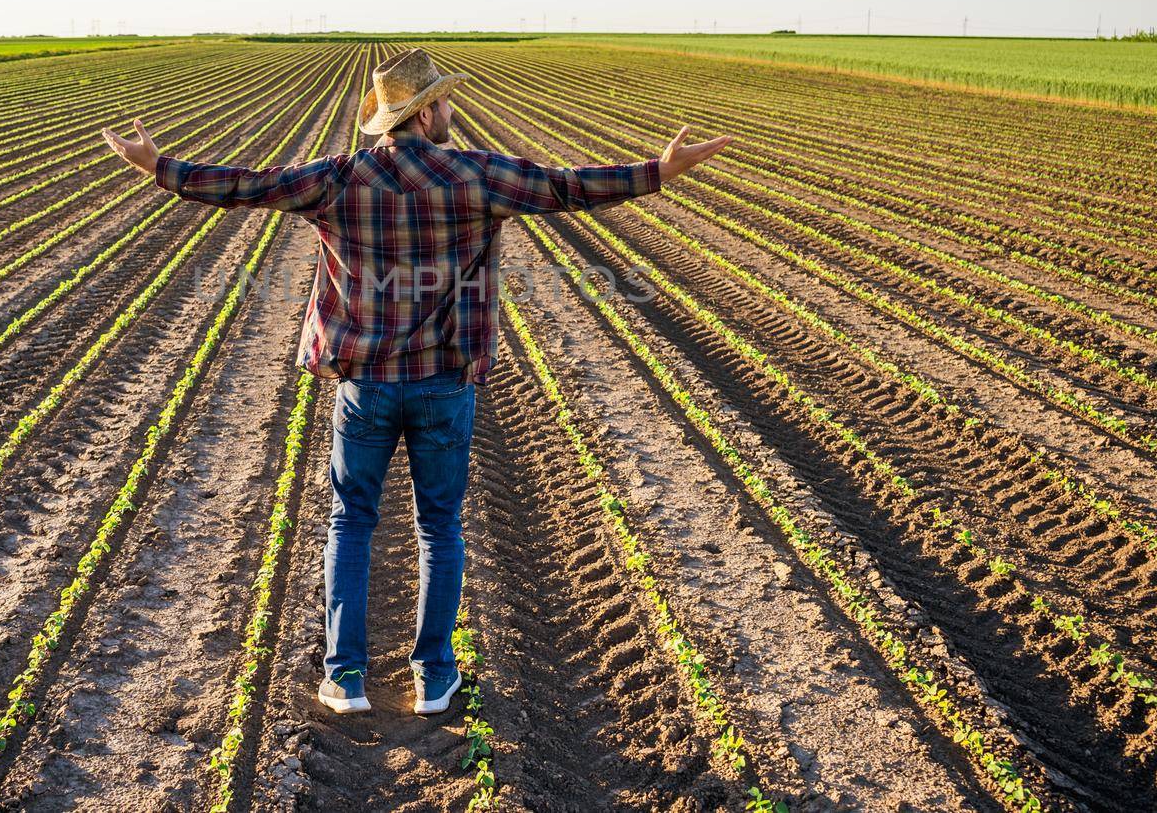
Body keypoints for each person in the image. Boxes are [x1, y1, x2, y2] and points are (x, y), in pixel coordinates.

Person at [103, 47, 730, 717]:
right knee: (439, 528)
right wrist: (658, 171)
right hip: (443, 384)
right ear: (427, 112)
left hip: (365, 386)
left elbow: (246, 185)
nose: (450, 111)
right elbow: (568, 187)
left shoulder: (338, 177)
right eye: (446, 102)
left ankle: (344, 678)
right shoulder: (478, 175)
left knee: (351, 523)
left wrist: (158, 167)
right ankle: (434, 675)